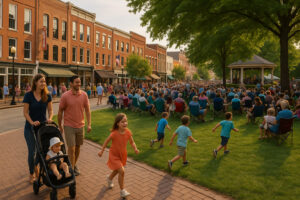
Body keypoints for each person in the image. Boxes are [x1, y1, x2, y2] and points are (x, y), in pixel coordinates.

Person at [98, 113, 139, 198]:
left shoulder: (128, 132)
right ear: (117, 123)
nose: (125, 123)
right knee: (122, 171)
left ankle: (109, 179)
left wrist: (135, 148)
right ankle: (122, 190)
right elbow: (106, 141)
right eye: (122, 122)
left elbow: (132, 142)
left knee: (117, 170)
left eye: (126, 121)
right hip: (114, 155)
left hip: (122, 155)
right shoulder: (114, 133)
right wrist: (102, 151)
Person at [58, 75, 91, 176]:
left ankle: (73, 164)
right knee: (71, 148)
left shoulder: (84, 95)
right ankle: (71, 170)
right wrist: (60, 125)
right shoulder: (65, 96)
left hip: (80, 126)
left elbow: (88, 110)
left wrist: (89, 124)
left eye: (79, 82)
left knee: (77, 147)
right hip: (69, 126)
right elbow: (60, 112)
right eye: (76, 82)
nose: (79, 84)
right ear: (71, 84)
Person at [23, 74, 53, 183]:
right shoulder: (28, 95)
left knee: (41, 151)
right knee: (32, 152)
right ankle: (32, 173)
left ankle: (38, 168)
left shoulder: (47, 95)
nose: (43, 83)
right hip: (30, 129)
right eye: (41, 81)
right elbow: (25, 112)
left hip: (42, 128)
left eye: (44, 81)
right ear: (35, 82)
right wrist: (32, 122)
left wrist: (49, 118)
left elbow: (50, 110)